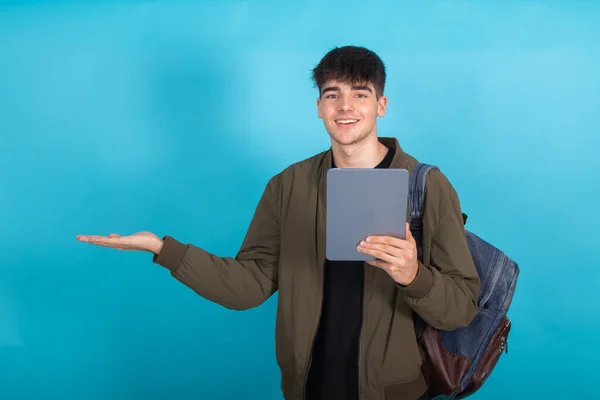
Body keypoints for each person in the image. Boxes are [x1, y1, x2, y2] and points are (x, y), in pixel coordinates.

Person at [77, 46, 480, 400]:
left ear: (382, 105)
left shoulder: (427, 185)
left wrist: (413, 275)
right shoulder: (288, 185)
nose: (345, 107)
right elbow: (250, 285)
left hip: (395, 393)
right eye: (332, 95)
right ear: (319, 107)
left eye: (361, 94)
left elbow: (461, 308)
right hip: (308, 388)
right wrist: (163, 249)